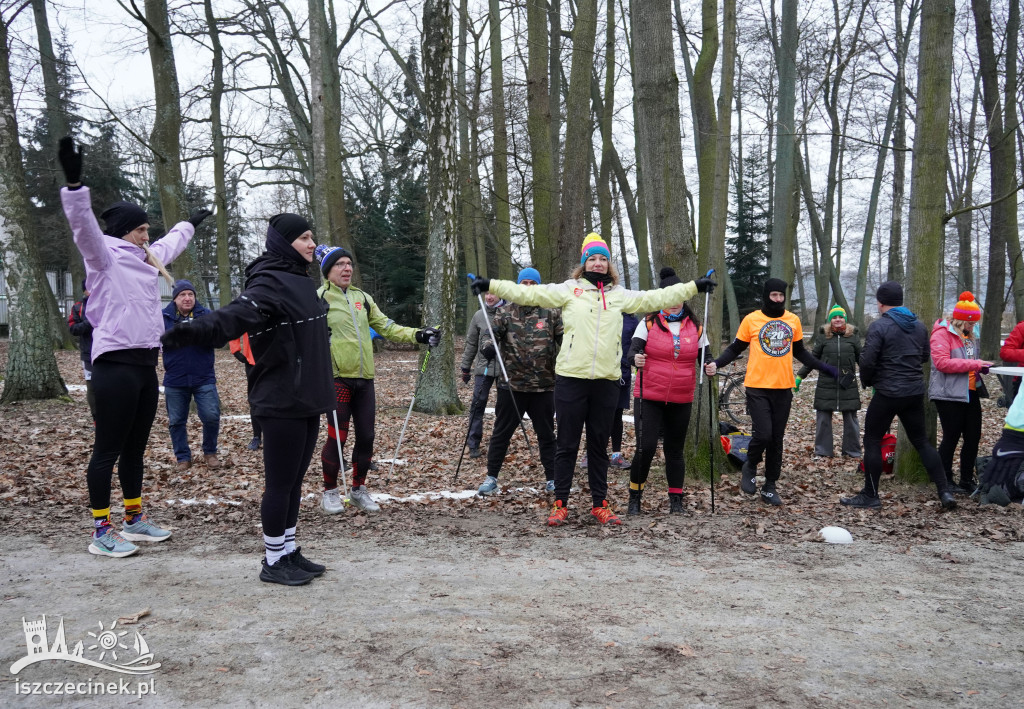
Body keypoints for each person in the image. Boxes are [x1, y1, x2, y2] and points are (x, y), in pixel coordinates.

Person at [471, 232, 714, 526]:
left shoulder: (619, 295)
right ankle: (560, 503)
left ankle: (600, 503)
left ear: (608, 265)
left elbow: (658, 297)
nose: (598, 263)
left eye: (603, 259)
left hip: (607, 380)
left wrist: (695, 287)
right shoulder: (568, 290)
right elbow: (530, 294)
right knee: (567, 444)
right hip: (571, 379)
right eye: (592, 258)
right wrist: (490, 285)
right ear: (584, 262)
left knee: (599, 445)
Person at [162, 213, 334, 586]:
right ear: (283, 242)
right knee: (279, 483)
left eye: (311, 237)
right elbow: (237, 315)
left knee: (294, 482)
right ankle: (273, 560)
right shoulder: (270, 281)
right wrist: (195, 330)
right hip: (280, 397)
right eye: (304, 237)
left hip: (307, 397)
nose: (311, 243)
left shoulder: (301, 281)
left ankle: (288, 550)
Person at [58, 137, 209, 559]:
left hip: (146, 365)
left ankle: (133, 518)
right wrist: (74, 188)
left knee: (135, 449)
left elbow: (171, 244)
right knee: (107, 449)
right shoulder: (103, 255)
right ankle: (100, 530)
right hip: (114, 367)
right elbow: (84, 228)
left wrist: (192, 223)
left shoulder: (145, 258)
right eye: (143, 228)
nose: (149, 235)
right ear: (127, 230)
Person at [314, 244, 440, 514]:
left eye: (349, 263)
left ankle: (359, 489)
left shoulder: (363, 298)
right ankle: (330, 492)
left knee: (367, 437)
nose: (347, 268)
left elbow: (386, 326)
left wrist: (419, 334)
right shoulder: (319, 297)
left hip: (365, 379)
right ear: (328, 270)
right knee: (338, 438)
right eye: (340, 264)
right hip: (337, 379)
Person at [704, 279, 839, 506]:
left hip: (783, 387)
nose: (777, 299)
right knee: (763, 434)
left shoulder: (792, 320)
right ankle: (750, 465)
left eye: (781, 295)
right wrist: (716, 364)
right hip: (757, 386)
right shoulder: (752, 320)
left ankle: (770, 485)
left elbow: (800, 353)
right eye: (774, 295)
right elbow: (736, 347)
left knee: (776, 439)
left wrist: (824, 367)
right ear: (766, 295)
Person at [840, 280, 958, 510]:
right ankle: (945, 491)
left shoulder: (879, 326)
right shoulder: (919, 326)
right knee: (922, 442)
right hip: (913, 391)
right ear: (900, 301)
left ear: (880, 302)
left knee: (872, 439)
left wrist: (868, 380)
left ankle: (871, 495)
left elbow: (867, 360)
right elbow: (925, 356)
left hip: (887, 392)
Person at [626, 267, 709, 515]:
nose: (674, 303)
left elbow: (706, 358)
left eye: (678, 298)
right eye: (669, 298)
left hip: (681, 397)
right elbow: (632, 353)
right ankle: (635, 498)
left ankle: (676, 502)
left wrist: (711, 366)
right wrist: (636, 360)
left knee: (675, 450)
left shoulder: (695, 326)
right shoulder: (648, 322)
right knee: (646, 447)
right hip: (649, 394)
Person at [476, 267, 562, 496]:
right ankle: (491, 477)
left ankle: (553, 478)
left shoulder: (551, 313)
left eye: (532, 284)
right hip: (511, 386)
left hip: (543, 386)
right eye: (524, 283)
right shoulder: (505, 312)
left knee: (546, 435)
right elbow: (489, 335)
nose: (528, 287)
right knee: (501, 433)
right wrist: (487, 347)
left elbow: (565, 339)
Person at [929, 292, 992, 495]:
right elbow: (941, 363)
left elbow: (970, 361)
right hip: (948, 393)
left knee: (973, 436)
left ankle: (966, 479)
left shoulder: (969, 337)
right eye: (970, 324)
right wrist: (974, 364)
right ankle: (944, 479)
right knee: (952, 436)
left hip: (970, 392)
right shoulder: (941, 334)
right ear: (961, 320)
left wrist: (980, 367)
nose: (972, 328)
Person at [162, 280, 222, 471]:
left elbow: (219, 340)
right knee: (176, 420)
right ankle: (182, 457)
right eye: (183, 295)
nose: (187, 298)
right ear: (175, 299)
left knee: (211, 416)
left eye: (190, 294)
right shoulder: (163, 317)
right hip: (175, 378)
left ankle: (210, 452)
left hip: (203, 376)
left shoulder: (206, 316)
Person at [794, 304, 862, 459]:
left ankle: (852, 451)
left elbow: (863, 360)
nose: (837, 320)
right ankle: (823, 451)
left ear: (845, 319)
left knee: (851, 419)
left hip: (848, 384)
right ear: (830, 320)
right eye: (834, 317)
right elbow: (812, 358)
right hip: (826, 383)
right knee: (823, 418)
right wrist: (800, 376)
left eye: (840, 317)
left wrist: (872, 380)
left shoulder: (853, 337)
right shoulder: (823, 337)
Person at [460, 292, 501, 458]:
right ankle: (473, 444)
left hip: (505, 368)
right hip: (483, 368)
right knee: (478, 405)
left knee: (505, 408)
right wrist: (465, 367)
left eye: (494, 294)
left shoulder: (508, 313)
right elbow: (471, 342)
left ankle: (499, 443)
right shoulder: (478, 316)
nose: (490, 297)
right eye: (487, 294)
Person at [609, 311, 640, 470]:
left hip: (623, 373)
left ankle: (616, 455)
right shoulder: (603, 312)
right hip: (601, 372)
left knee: (617, 415)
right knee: (595, 414)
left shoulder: (632, 320)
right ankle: (590, 454)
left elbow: (637, 346)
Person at [68, 280, 97, 421]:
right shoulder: (78, 307)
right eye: (91, 288)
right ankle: (96, 419)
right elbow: (73, 329)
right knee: (92, 387)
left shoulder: (108, 303)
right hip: (88, 354)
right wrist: (90, 323)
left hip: (109, 352)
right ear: (85, 291)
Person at [229, 333, 263, 451]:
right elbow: (236, 323)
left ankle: (274, 435)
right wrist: (235, 350)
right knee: (254, 399)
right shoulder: (251, 313)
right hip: (252, 360)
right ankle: (256, 436)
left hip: (276, 360)